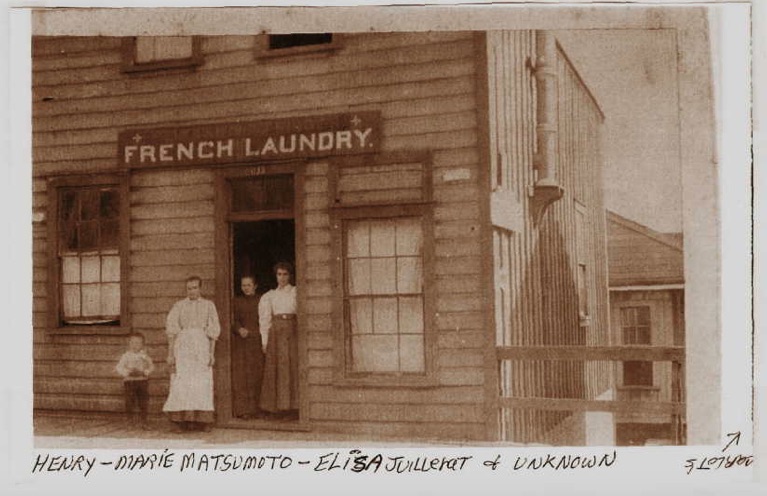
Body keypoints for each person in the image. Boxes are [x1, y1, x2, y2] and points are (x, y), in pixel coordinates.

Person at [163, 276, 221, 432]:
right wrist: (171, 354)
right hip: (183, 347)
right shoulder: (179, 306)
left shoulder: (209, 306)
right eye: (189, 288)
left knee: (202, 382)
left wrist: (211, 353)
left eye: (195, 287)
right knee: (182, 382)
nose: (192, 291)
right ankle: (179, 420)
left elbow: (213, 332)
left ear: (200, 288)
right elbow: (172, 332)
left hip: (201, 346)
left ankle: (202, 421)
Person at [258, 262, 298, 418]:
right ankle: (277, 409)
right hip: (276, 333)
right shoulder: (270, 296)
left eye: (285, 274)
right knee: (277, 368)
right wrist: (265, 340)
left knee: (291, 368)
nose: (282, 278)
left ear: (290, 276)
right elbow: (265, 319)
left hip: (292, 331)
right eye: (279, 274)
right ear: (275, 276)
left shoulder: (295, 292)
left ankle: (292, 408)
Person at [231, 275, 264, 419]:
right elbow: (233, 320)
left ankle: (258, 409)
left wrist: (258, 334)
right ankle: (243, 410)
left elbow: (265, 319)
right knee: (242, 376)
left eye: (249, 285)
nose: (246, 288)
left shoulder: (261, 300)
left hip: (257, 341)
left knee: (256, 374)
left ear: (255, 286)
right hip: (241, 343)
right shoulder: (236, 301)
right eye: (243, 285)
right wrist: (239, 329)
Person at [115, 332, 154, 430]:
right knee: (129, 402)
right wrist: (127, 372)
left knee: (143, 402)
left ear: (142, 345)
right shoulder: (126, 356)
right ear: (129, 344)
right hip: (130, 381)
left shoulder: (144, 356)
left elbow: (151, 366)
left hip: (142, 381)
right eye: (132, 343)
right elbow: (119, 367)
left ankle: (144, 422)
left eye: (138, 343)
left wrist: (145, 372)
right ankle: (129, 422)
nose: (135, 345)